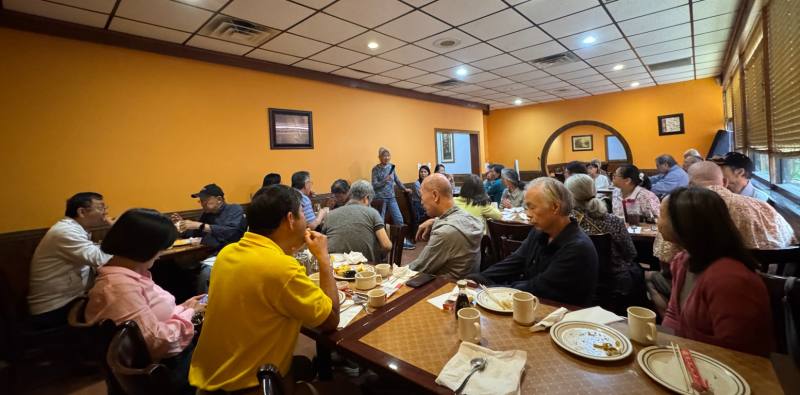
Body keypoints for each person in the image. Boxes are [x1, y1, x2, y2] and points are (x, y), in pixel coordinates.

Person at [190, 185, 339, 394]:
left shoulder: (227, 254)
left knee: (303, 365)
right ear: (290, 219)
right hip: (252, 386)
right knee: (347, 387)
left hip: (207, 382)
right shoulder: (280, 268)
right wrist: (324, 259)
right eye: (302, 214)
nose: (306, 221)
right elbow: (330, 320)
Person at [85, 208, 204, 394]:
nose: (160, 254)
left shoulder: (132, 275)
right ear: (144, 247)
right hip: (167, 370)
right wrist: (192, 313)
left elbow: (151, 318)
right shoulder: (118, 288)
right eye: (161, 248)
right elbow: (157, 342)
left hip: (170, 356)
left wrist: (184, 307)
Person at [660, 187, 771, 356]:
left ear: (683, 224)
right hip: (690, 357)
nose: (657, 222)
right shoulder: (682, 261)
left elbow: (739, 353)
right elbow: (674, 315)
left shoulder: (731, 280)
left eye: (661, 216)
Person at [468, 178, 599, 306]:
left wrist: (490, 289)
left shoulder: (577, 248)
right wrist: (477, 279)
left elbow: (538, 288)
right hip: (534, 306)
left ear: (555, 207)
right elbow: (514, 262)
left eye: (532, 208)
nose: (528, 214)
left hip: (563, 318)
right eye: (526, 208)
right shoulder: (539, 232)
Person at [28, 192, 113, 329]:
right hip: (54, 308)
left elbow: (94, 254)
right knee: (116, 302)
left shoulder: (73, 229)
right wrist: (116, 229)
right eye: (101, 207)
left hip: (68, 300)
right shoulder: (66, 232)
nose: (105, 212)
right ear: (82, 212)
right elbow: (100, 259)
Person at [565, 175, 642, 302]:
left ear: (569, 196)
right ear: (594, 190)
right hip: (615, 280)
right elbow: (631, 253)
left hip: (577, 281)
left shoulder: (566, 222)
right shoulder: (614, 220)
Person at [688, 162, 795, 248]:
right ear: (724, 182)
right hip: (778, 271)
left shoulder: (687, 209)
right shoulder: (762, 205)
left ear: (689, 185)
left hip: (726, 271)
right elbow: (791, 239)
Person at [171, 184, 247, 294]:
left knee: (206, 272)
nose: (202, 204)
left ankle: (204, 308)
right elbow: (195, 233)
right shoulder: (207, 214)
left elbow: (230, 231)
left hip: (229, 252)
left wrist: (200, 225)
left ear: (219, 199)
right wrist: (181, 225)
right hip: (205, 252)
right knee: (175, 266)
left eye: (205, 200)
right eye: (200, 201)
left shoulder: (234, 209)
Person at [410, 174, 483, 279]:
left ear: (435, 195)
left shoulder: (445, 232)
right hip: (468, 286)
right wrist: (435, 221)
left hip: (446, 290)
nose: (421, 202)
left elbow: (415, 270)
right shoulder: (470, 218)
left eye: (421, 196)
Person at [322, 180, 391, 262]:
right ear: (367, 198)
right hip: (365, 268)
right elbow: (386, 245)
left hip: (334, 267)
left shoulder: (330, 215)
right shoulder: (372, 212)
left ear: (350, 195)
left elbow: (322, 242)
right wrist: (380, 256)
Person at [371, 147, 414, 249]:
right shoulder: (375, 169)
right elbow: (374, 185)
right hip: (380, 199)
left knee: (399, 219)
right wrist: (385, 180)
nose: (386, 157)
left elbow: (397, 180)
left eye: (388, 155)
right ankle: (381, 243)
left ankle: (402, 241)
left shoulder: (392, 167)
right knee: (380, 221)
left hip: (392, 197)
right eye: (384, 156)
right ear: (379, 157)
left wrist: (404, 189)